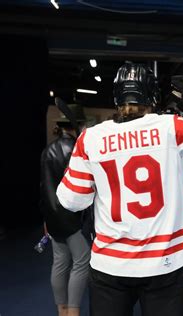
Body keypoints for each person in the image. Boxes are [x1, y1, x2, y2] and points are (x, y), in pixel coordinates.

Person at [56, 64, 183, 316]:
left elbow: (72, 201)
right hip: (165, 264)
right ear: (152, 95)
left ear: (116, 96)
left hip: (110, 265)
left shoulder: (90, 138)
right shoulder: (171, 127)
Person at [39, 103, 91, 316]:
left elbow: (43, 187)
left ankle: (62, 310)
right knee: (82, 261)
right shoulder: (75, 150)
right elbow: (82, 186)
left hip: (52, 217)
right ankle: (73, 311)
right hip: (72, 217)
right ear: (77, 124)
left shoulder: (47, 150)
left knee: (60, 263)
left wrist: (46, 218)